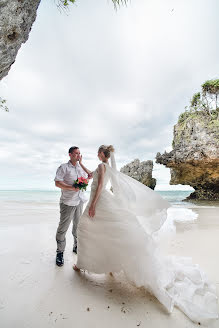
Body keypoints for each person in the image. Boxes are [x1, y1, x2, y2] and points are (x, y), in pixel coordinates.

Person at [73, 145, 218, 324]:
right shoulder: (104, 166)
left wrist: (93, 204)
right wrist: (81, 164)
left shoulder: (103, 167)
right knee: (105, 231)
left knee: (85, 228)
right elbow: (92, 175)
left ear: (102, 154)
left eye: (98, 151)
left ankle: (82, 265)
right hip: (103, 200)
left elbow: (100, 185)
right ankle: (104, 263)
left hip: (100, 201)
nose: (97, 153)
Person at [54, 146, 92, 266]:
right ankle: (60, 252)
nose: (78, 155)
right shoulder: (63, 167)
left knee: (77, 226)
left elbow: (89, 177)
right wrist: (72, 187)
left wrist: (82, 164)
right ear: (70, 155)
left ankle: (76, 246)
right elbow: (57, 182)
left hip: (79, 201)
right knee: (63, 228)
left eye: (79, 153)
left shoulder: (80, 168)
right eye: (76, 153)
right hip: (68, 202)